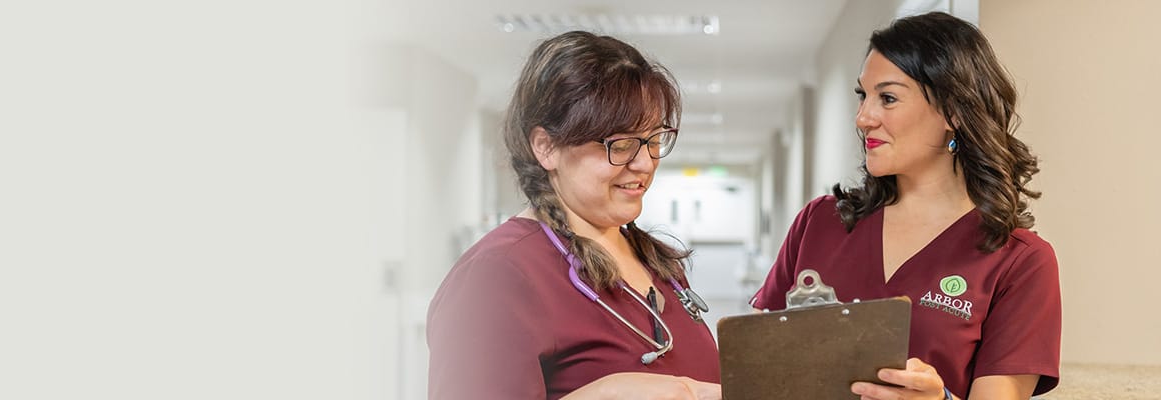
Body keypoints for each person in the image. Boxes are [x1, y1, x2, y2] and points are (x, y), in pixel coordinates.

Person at [750, 12, 1059, 400]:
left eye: (888, 98)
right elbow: (755, 368)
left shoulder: (1019, 262)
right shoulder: (819, 223)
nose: (863, 118)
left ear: (953, 111)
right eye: (863, 96)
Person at [426, 31, 720, 400]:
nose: (645, 163)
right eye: (620, 144)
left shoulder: (656, 265)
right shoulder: (497, 275)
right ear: (546, 148)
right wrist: (606, 394)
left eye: (653, 140)